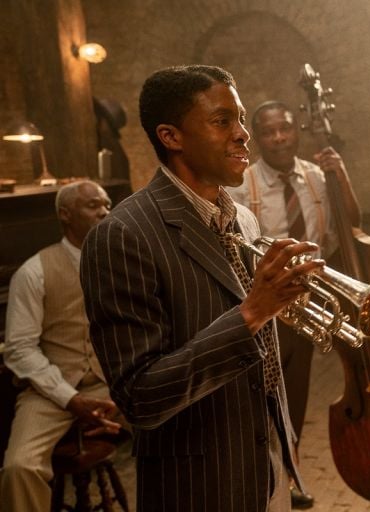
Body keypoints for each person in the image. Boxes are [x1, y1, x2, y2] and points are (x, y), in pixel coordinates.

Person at [80, 65, 323, 512]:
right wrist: (251, 313)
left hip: (267, 466)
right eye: (222, 121)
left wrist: (287, 299)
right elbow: (140, 397)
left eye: (242, 118)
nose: (243, 134)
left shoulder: (244, 220)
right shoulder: (122, 235)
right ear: (171, 137)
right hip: (200, 481)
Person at [227, 100, 361, 509]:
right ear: (258, 136)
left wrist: (342, 177)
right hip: (262, 303)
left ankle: (290, 476)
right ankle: (257, 479)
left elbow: (349, 224)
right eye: (268, 132)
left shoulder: (317, 176)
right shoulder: (241, 183)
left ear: (296, 130)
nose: (279, 138)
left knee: (293, 396)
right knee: (259, 395)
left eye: (285, 129)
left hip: (304, 306)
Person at [1, 180, 121, 511]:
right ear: (65, 215)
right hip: (54, 390)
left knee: (184, 429)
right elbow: (19, 350)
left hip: (115, 385)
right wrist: (70, 400)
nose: (104, 212)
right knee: (19, 467)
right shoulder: (33, 272)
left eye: (107, 203)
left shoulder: (124, 263)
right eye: (93, 205)